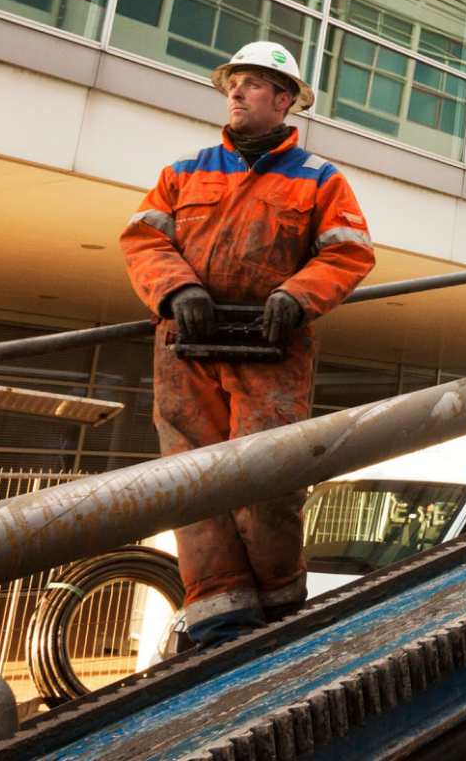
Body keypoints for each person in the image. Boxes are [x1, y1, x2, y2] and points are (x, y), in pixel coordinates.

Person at [120, 41, 376, 647]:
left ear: (283, 101)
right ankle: (219, 621)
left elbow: (348, 251)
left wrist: (298, 296)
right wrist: (177, 288)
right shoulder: (183, 172)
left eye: (252, 84)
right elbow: (142, 241)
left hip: (272, 350)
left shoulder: (319, 179)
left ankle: (282, 605)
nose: (235, 92)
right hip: (188, 349)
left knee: (269, 480)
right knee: (192, 482)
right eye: (233, 83)